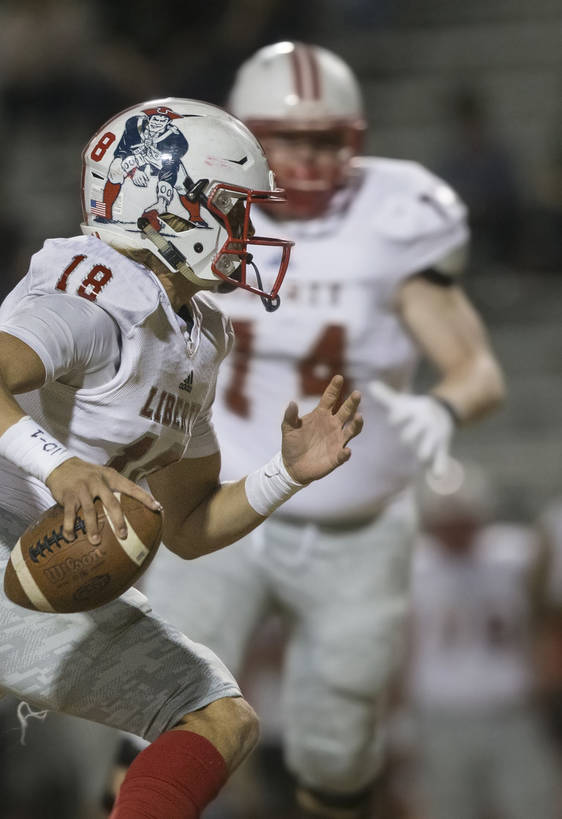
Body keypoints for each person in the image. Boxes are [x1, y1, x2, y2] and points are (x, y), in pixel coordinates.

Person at [0, 96, 363, 819]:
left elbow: (187, 523)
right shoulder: (98, 287)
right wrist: (59, 466)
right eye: (232, 207)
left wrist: (286, 473)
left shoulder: (197, 332)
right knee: (216, 713)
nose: (247, 229)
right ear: (166, 205)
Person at [106, 42, 507, 819]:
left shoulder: (397, 215)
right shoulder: (198, 208)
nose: (306, 156)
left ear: (354, 137)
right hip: (221, 504)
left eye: (326, 138)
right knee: (155, 700)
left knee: (336, 748)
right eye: (287, 137)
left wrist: (445, 406)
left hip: (354, 523)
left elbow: (476, 368)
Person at [403, 464, 561, 819]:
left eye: (462, 518)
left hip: (511, 707)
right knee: (448, 807)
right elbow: (404, 641)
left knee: (531, 805)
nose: (456, 530)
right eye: (447, 521)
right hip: (441, 711)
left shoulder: (516, 554)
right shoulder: (415, 565)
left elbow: (548, 599)